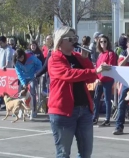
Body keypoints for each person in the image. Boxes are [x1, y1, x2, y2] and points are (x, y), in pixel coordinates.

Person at [47, 26, 111, 158]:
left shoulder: (77, 56)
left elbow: (92, 78)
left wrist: (84, 59)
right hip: (63, 112)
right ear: (60, 41)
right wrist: (95, 70)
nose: (74, 41)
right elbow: (69, 74)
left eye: (75, 38)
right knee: (63, 153)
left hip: (84, 110)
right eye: (70, 39)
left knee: (86, 152)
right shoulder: (54, 59)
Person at [92, 35, 117, 126]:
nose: (103, 43)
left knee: (107, 99)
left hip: (107, 79)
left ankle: (107, 119)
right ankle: (95, 117)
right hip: (99, 80)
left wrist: (100, 77)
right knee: (96, 99)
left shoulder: (111, 53)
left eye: (105, 41)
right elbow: (98, 68)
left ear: (108, 42)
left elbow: (110, 67)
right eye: (101, 41)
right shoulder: (100, 54)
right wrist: (97, 79)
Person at [13, 49, 42, 119]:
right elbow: (19, 74)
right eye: (19, 58)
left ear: (24, 55)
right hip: (24, 77)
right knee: (20, 93)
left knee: (32, 92)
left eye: (22, 57)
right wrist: (23, 83)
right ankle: (20, 110)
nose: (21, 59)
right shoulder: (16, 62)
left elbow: (40, 64)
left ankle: (34, 110)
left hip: (33, 76)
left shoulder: (31, 57)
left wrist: (37, 72)